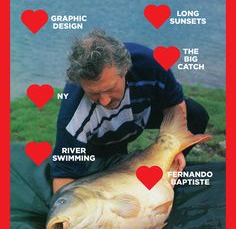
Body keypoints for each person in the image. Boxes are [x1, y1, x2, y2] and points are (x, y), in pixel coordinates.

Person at [51, 30, 209, 193]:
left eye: (110, 89)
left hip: (138, 114)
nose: (104, 101)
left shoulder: (152, 64)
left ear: (125, 69)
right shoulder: (71, 115)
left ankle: (165, 173)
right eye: (93, 93)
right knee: (107, 174)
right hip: (101, 138)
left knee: (195, 114)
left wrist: (173, 147)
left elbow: (174, 104)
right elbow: (64, 175)